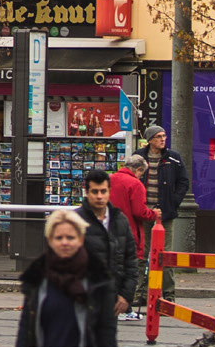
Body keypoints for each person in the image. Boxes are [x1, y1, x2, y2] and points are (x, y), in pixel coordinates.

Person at [14, 208, 119, 347]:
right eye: (59, 238)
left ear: (81, 239)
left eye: (70, 237)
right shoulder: (37, 278)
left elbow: (107, 333)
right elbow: (26, 330)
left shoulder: (97, 279)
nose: (65, 242)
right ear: (50, 240)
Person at [76, 169, 139, 321]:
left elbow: (130, 261)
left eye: (103, 191)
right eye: (95, 191)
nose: (99, 196)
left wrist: (126, 295)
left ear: (109, 191)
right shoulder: (74, 221)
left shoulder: (120, 220)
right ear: (87, 192)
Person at [141, 124, 189, 302]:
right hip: (144, 213)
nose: (163, 139)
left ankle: (168, 295)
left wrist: (173, 202)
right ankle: (142, 294)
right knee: (144, 253)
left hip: (165, 214)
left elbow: (184, 182)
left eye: (164, 136)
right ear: (150, 140)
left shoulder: (173, 157)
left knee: (165, 254)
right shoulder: (139, 156)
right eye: (159, 136)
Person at [110, 155, 155, 312]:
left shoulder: (109, 179)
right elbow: (139, 212)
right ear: (138, 170)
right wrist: (154, 214)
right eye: (142, 174)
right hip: (128, 233)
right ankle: (125, 308)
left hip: (108, 231)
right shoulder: (135, 184)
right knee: (128, 272)